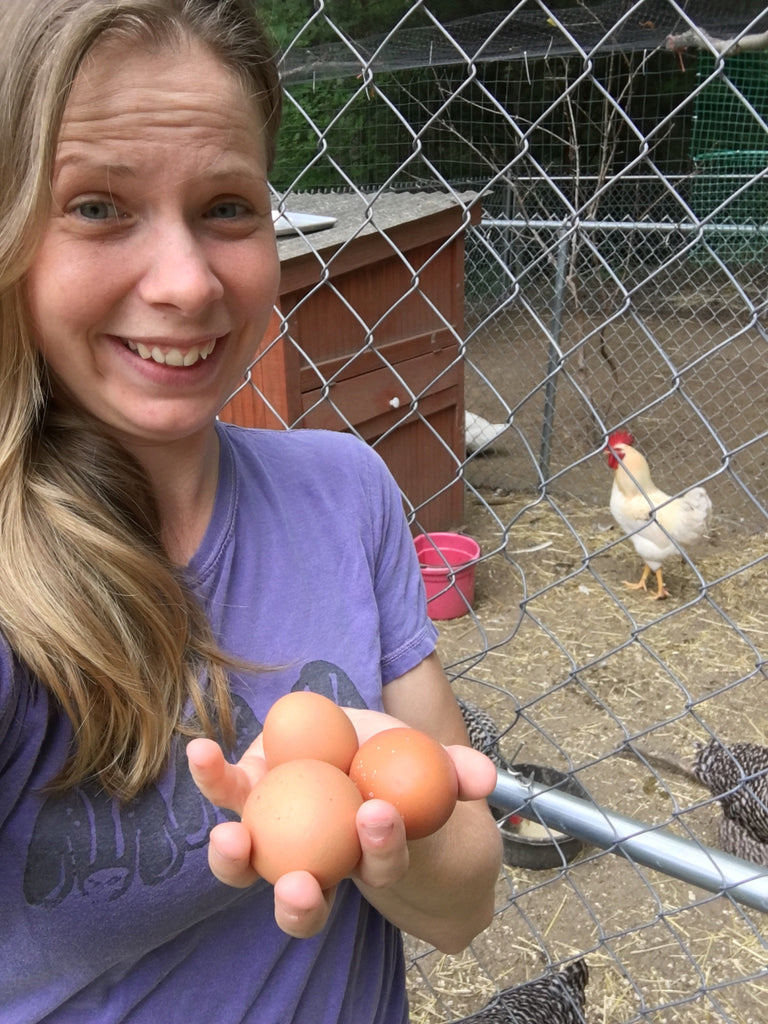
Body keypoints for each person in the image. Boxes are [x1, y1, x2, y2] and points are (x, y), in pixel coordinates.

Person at [0, 1, 503, 1021]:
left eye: (228, 207)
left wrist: (378, 820)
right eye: (98, 206)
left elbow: (464, 908)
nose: (187, 284)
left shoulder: (346, 489)